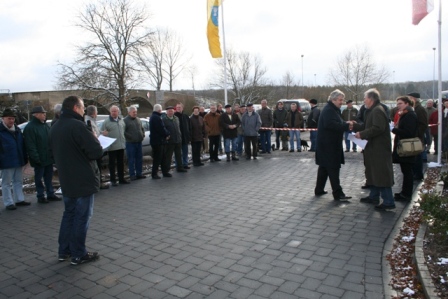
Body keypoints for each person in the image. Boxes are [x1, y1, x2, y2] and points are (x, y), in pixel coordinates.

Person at [49, 95, 103, 265]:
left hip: (66, 179)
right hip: (83, 180)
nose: (83, 110)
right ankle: (79, 253)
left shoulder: (55, 127)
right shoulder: (77, 126)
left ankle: (64, 251)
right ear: (75, 108)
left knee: (69, 215)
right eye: (82, 107)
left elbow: (52, 154)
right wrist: (94, 138)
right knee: (82, 217)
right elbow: (96, 152)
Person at [354, 88, 395, 210]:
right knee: (374, 173)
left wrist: (362, 134)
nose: (364, 100)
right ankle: (374, 196)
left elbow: (378, 128)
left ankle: (388, 201)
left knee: (381, 174)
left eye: (365, 98)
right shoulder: (373, 110)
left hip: (379, 149)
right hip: (373, 148)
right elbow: (369, 125)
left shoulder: (377, 111)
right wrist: (356, 126)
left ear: (371, 99)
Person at [314, 89, 352, 201]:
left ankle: (319, 189)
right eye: (340, 100)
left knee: (324, 168)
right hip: (329, 147)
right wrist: (346, 125)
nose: (342, 102)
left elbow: (336, 123)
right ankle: (338, 193)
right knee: (333, 169)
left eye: (342, 100)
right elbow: (331, 125)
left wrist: (345, 124)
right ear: (333, 99)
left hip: (326, 146)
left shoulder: (333, 109)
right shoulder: (329, 110)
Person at [24, 106, 61, 203]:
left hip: (48, 157)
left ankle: (50, 193)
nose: (45, 115)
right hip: (39, 158)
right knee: (39, 178)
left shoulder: (45, 125)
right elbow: (30, 145)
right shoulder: (30, 127)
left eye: (44, 113)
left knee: (48, 177)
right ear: (36, 115)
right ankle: (40, 195)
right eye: (42, 113)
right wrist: (36, 157)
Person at [0, 108, 31, 210]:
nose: (11, 121)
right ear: (3, 119)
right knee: (6, 183)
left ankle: (19, 199)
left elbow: (22, 145)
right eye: (9, 119)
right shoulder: (1, 131)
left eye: (13, 119)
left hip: (18, 159)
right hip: (6, 161)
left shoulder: (17, 130)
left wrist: (24, 158)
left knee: (18, 181)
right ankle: (8, 202)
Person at [391, 96, 418, 202]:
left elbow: (408, 132)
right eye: (397, 104)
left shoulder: (410, 115)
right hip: (404, 146)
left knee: (407, 171)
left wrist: (394, 130)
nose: (398, 106)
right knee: (405, 171)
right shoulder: (406, 114)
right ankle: (404, 192)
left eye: (400, 103)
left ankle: (406, 194)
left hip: (407, 147)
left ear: (407, 104)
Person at [102, 105, 129, 186]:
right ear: (110, 112)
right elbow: (102, 132)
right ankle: (113, 180)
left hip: (121, 146)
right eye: (112, 111)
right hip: (112, 147)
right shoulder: (106, 122)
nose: (114, 113)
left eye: (115, 111)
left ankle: (121, 178)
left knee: (121, 163)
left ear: (118, 112)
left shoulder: (121, 120)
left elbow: (123, 130)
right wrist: (104, 134)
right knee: (112, 164)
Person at [85, 105, 109, 189]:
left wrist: (102, 133)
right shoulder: (88, 122)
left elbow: (97, 132)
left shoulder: (92, 120)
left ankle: (98, 183)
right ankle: (98, 184)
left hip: (98, 145)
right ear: (94, 113)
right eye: (97, 112)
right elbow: (93, 135)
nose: (97, 113)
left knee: (98, 166)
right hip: (94, 147)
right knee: (96, 166)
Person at [407, 92, 428, 180]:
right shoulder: (414, 108)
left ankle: (418, 174)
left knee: (417, 156)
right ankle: (415, 173)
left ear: (414, 99)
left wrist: (416, 134)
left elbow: (423, 124)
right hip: (413, 137)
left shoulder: (420, 109)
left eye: (409, 98)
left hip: (417, 137)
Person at [123, 106, 146, 181]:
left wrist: (143, 134)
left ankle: (139, 173)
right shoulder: (125, 121)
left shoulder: (138, 119)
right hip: (130, 143)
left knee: (139, 158)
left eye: (136, 112)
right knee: (131, 159)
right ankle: (132, 174)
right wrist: (130, 137)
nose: (135, 113)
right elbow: (124, 132)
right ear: (129, 112)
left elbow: (142, 128)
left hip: (139, 142)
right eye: (133, 112)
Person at [162, 106, 187, 174]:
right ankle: (166, 171)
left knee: (179, 155)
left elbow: (178, 128)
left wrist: (180, 136)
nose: (171, 112)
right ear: (167, 112)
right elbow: (163, 130)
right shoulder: (164, 119)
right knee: (168, 157)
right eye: (169, 111)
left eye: (172, 111)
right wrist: (166, 137)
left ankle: (180, 167)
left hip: (178, 140)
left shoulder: (176, 118)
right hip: (170, 141)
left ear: (174, 111)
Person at [149, 104, 170, 179]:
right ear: (159, 110)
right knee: (158, 158)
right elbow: (161, 129)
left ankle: (165, 171)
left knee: (163, 157)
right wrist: (167, 134)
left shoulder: (154, 117)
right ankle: (154, 173)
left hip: (158, 141)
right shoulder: (156, 118)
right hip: (158, 141)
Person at [174, 103, 191, 169]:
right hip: (177, 138)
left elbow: (189, 127)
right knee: (178, 153)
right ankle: (178, 165)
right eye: (177, 107)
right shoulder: (174, 116)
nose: (178, 108)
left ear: (182, 108)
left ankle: (185, 164)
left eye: (179, 107)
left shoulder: (185, 116)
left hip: (185, 137)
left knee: (185, 152)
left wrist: (189, 135)